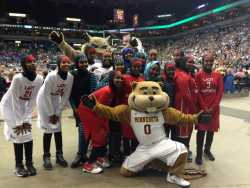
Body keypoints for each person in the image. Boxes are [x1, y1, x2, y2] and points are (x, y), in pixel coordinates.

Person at [1, 54, 43, 177]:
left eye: (34, 61)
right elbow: (15, 100)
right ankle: (18, 165)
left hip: (23, 106)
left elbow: (32, 100)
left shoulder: (39, 79)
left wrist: (26, 117)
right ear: (24, 64)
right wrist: (20, 122)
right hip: (9, 107)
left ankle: (29, 163)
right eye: (29, 62)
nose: (33, 63)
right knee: (18, 134)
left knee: (28, 134)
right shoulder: (18, 78)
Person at [78, 71, 124, 173]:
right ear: (111, 79)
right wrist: (104, 125)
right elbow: (99, 109)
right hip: (88, 111)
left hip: (96, 112)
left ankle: (100, 157)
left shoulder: (115, 91)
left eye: (121, 78)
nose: (120, 80)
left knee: (103, 134)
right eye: (117, 78)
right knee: (99, 137)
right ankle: (89, 164)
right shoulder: (107, 91)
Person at [37, 55, 73, 170]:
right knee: (49, 127)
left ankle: (59, 155)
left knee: (58, 127)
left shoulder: (70, 77)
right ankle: (46, 157)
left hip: (56, 98)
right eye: (63, 62)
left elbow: (66, 95)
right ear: (58, 64)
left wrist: (57, 112)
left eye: (68, 62)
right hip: (44, 99)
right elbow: (46, 94)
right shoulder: (51, 76)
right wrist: (51, 113)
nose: (66, 64)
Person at [195, 52, 224, 165]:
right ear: (203, 61)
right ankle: (198, 154)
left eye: (211, 61)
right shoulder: (198, 75)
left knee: (211, 131)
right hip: (202, 109)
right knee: (201, 132)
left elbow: (220, 92)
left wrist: (213, 106)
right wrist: (204, 107)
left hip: (214, 109)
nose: (209, 63)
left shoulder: (218, 75)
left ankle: (207, 150)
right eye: (207, 61)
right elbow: (197, 93)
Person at [70, 53, 97, 168]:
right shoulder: (72, 75)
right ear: (77, 63)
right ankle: (82, 154)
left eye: (85, 62)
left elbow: (93, 93)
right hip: (77, 108)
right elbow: (70, 94)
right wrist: (74, 108)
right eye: (81, 62)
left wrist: (88, 107)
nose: (84, 64)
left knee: (85, 131)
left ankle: (81, 154)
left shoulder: (91, 76)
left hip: (87, 108)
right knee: (83, 131)